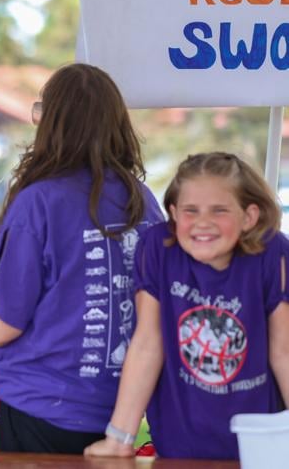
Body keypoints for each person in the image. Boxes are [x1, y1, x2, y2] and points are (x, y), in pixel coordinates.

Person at [0, 63, 164, 454]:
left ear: (51, 123)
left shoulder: (40, 201)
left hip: (45, 411)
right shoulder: (143, 201)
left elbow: (1, 325)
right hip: (123, 414)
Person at [84, 152, 289, 460]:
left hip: (256, 442)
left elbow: (284, 351)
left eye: (219, 210)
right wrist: (119, 437)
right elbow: (147, 344)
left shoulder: (274, 252)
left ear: (249, 216)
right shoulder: (157, 248)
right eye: (191, 211)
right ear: (174, 213)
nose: (203, 223)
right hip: (181, 441)